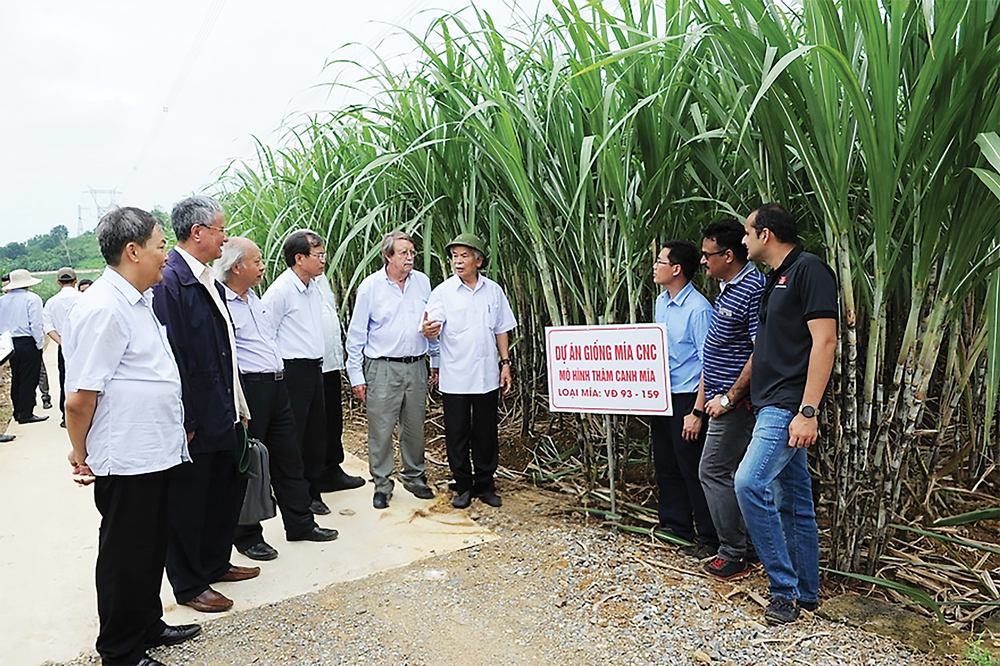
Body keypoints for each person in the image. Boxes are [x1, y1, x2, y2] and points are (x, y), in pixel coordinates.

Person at [64, 206, 200, 666]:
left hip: (153, 451)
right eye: (161, 246)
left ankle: (147, 625)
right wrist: (81, 453)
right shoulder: (104, 308)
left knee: (150, 546)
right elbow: (80, 398)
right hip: (126, 457)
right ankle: (120, 651)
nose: (167, 255)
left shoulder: (137, 300)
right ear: (133, 250)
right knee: (125, 555)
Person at [152, 196, 257, 614]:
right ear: (198, 233)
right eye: (220, 230)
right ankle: (190, 583)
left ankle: (215, 562)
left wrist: (238, 403)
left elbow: (224, 350)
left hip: (223, 407)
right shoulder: (172, 282)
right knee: (189, 502)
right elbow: (174, 357)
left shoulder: (208, 278)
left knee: (221, 492)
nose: (224, 238)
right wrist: (188, 417)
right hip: (196, 415)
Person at [735, 203, 837, 624]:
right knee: (792, 501)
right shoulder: (773, 278)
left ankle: (783, 590)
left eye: (747, 232)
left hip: (788, 404)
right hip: (768, 403)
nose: (743, 240)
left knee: (748, 482)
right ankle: (805, 593)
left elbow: (825, 341)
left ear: (766, 235)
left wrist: (808, 411)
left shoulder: (809, 270)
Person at [218, 237, 339, 561]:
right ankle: (247, 536)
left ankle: (300, 523)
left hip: (277, 384)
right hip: (251, 388)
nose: (263, 267)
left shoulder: (253, 298)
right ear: (237, 266)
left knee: (289, 457)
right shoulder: (222, 304)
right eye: (257, 261)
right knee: (251, 462)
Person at [263, 230, 359, 516]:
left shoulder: (312, 287)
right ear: (299, 258)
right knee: (297, 437)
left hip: (316, 368)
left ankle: (315, 487)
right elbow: (267, 333)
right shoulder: (281, 291)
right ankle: (299, 495)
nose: (323, 260)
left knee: (316, 434)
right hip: (292, 372)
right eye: (318, 255)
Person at [346, 231, 439, 510]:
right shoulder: (371, 287)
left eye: (412, 252)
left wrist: (435, 359)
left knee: (414, 426)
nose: (410, 257)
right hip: (383, 367)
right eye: (403, 253)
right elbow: (357, 333)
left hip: (416, 365)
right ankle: (382, 484)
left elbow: (431, 323)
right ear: (388, 256)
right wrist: (356, 375)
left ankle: (414, 477)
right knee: (381, 428)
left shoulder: (422, 283)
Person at [422, 233, 515, 509]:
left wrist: (506, 363)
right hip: (455, 376)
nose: (458, 261)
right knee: (457, 433)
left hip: (486, 375)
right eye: (454, 256)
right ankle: (462, 485)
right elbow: (430, 327)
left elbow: (501, 329)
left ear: (479, 260)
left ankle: (485, 484)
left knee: (486, 432)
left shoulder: (493, 291)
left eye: (464, 256)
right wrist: (428, 331)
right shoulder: (443, 293)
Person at [694, 220, 766, 580]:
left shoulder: (753, 288)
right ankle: (748, 548)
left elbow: (759, 350)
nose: (703, 261)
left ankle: (733, 553)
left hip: (737, 404)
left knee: (713, 470)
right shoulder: (728, 289)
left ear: (728, 255)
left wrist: (730, 397)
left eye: (708, 255)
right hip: (720, 399)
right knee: (730, 473)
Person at [650, 240, 717, 558]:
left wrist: (697, 412)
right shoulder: (661, 302)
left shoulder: (699, 310)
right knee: (666, 462)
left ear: (676, 269)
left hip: (688, 397)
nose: (654, 266)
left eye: (660, 261)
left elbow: (709, 363)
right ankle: (675, 526)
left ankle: (709, 536)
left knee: (692, 466)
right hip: (662, 395)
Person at [314, 270, 365, 496]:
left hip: (330, 363)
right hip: (309, 365)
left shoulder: (321, 280)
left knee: (333, 419)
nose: (323, 260)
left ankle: (331, 470)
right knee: (313, 425)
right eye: (317, 255)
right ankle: (312, 477)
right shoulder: (287, 288)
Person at [0, 268, 48, 423]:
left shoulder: (2, 300)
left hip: (9, 343)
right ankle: (26, 413)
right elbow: (36, 324)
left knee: (17, 377)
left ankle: (18, 411)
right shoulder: (32, 299)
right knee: (29, 378)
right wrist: (39, 343)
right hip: (27, 341)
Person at [43, 266, 81, 426]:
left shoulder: (51, 302)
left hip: (64, 346)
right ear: (75, 281)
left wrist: (62, 342)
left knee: (65, 379)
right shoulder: (83, 298)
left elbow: (48, 327)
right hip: (83, 344)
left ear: (58, 282)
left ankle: (66, 416)